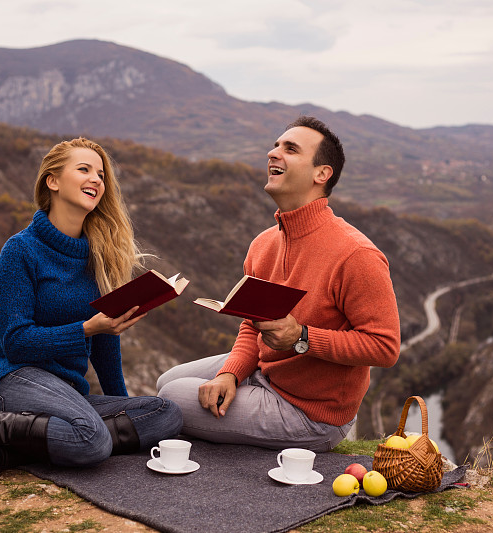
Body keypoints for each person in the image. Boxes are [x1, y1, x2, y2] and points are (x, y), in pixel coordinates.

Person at [0, 138, 183, 485]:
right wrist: (86, 329)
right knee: (93, 439)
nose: (97, 179)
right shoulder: (20, 251)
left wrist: (123, 407)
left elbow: (104, 343)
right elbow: (16, 343)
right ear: (52, 181)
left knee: (166, 414)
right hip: (16, 378)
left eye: (100, 174)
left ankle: (22, 445)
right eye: (84, 169)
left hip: (68, 392)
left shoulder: (99, 256)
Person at [157, 116, 400, 451]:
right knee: (165, 381)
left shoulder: (356, 254)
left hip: (311, 414)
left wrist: (301, 337)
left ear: (321, 174)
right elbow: (252, 324)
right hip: (267, 373)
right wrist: (231, 373)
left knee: (171, 398)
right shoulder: (263, 245)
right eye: (275, 145)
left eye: (290, 148)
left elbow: (385, 348)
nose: (273, 153)